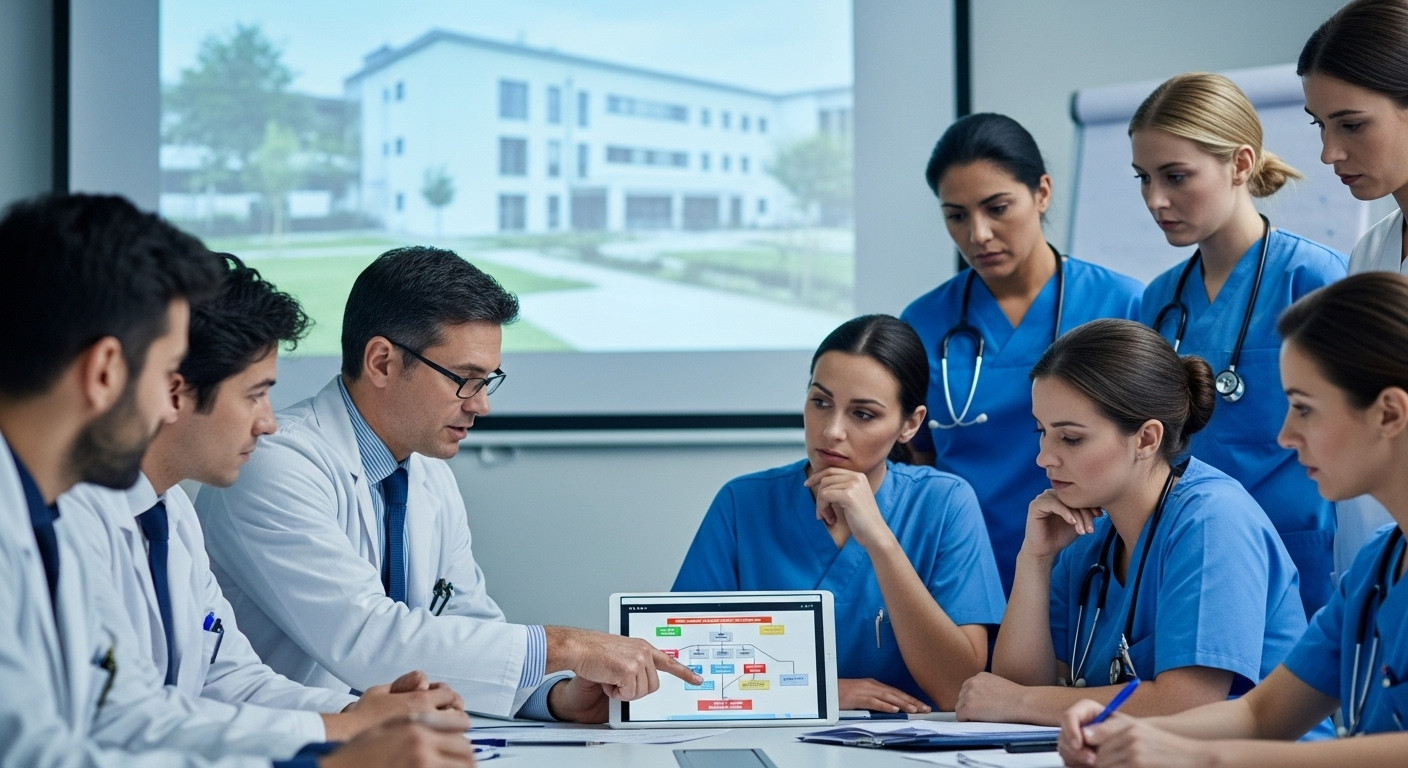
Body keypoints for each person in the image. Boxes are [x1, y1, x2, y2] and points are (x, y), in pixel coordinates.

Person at [0, 193, 475, 768]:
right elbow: (51, 751)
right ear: (105, 371)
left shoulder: (134, 511)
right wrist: (325, 759)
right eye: (165, 372)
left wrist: (350, 723)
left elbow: (199, 686)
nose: (269, 422)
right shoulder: (57, 518)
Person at [195, 245, 702, 723]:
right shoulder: (276, 464)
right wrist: (564, 646)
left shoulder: (427, 474)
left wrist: (557, 695)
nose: (481, 404)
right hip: (286, 742)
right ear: (382, 362)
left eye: (488, 380)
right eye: (465, 378)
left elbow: (469, 626)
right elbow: (367, 638)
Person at [1058, 273, 1408, 767]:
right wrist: (1116, 732)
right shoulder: (1379, 565)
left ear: (1389, 414)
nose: (1286, 435)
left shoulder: (1211, 515)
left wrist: (1199, 757)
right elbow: (1261, 715)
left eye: (1304, 409)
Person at [954, 319, 1307, 727]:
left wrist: (1019, 703)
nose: (1044, 457)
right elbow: (1017, 690)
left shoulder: (1213, 520)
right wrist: (1035, 559)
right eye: (1042, 432)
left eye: (1070, 438)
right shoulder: (1088, 538)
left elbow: (1190, 704)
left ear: (1146, 439)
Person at [673, 315, 1006, 713]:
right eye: (821, 402)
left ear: (910, 424)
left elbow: (959, 690)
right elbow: (684, 668)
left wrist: (880, 542)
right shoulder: (742, 503)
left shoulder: (946, 503)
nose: (831, 431)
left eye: (862, 414)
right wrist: (820, 690)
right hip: (771, 736)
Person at [1133, 72, 1348, 617]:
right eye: (1145, 178)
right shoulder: (1159, 300)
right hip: (1190, 550)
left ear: (1241, 164)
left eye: (1177, 176)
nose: (1156, 199)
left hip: (1297, 550)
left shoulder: (1313, 278)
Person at [902, 113, 1144, 594]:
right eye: (956, 215)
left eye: (997, 208)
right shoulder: (924, 322)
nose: (979, 234)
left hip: (1090, 565)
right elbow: (919, 466)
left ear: (1042, 193)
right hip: (964, 570)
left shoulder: (1121, 305)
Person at [1300, 0, 1408, 580]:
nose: (1329, 153)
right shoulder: (1371, 252)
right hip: (1369, 567)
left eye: (1352, 124)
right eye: (1320, 126)